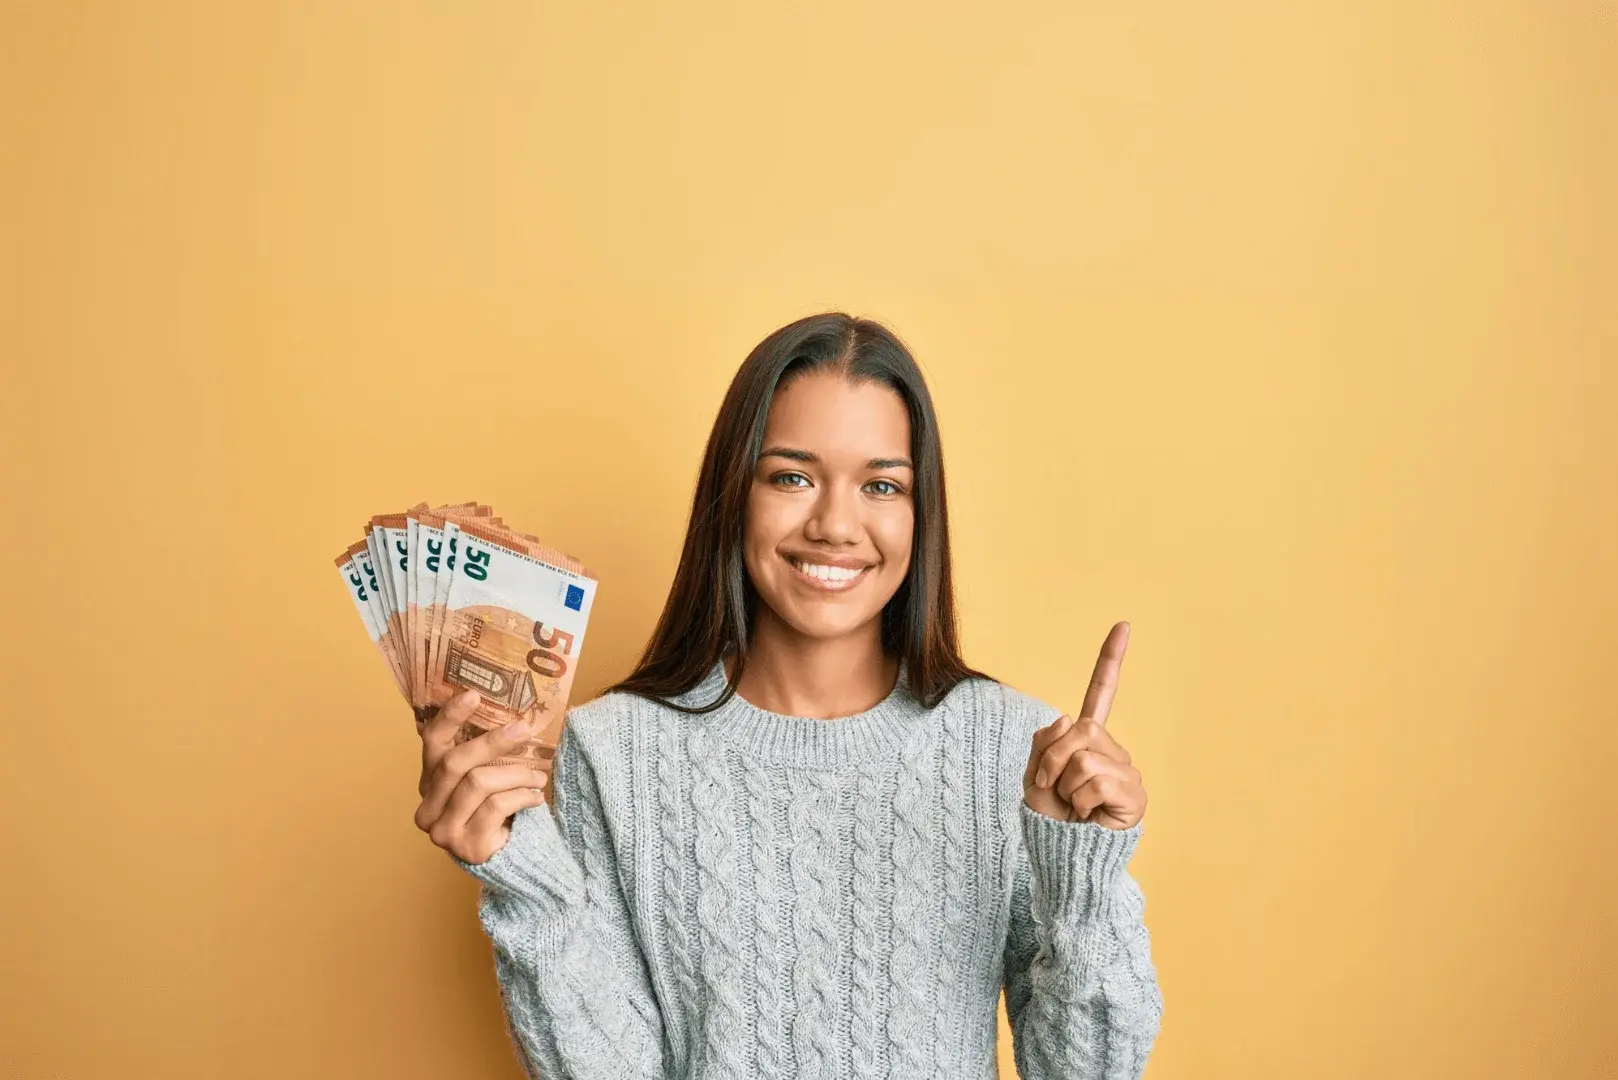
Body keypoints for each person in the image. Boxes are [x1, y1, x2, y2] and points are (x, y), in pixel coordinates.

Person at [412, 312, 1164, 1079]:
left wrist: (1084, 881)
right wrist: (523, 877)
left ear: (921, 511)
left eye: (881, 485)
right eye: (792, 477)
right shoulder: (612, 753)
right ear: (733, 495)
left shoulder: (1013, 750)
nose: (836, 524)